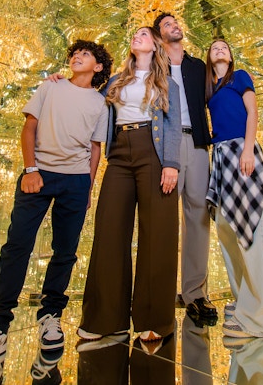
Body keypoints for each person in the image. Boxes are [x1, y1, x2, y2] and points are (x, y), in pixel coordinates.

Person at [0, 40, 112, 384]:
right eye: (75, 53)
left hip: (75, 181)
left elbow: (94, 149)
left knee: (65, 251)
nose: (77, 56)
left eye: (86, 55)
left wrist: (87, 188)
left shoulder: (101, 104)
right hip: (38, 175)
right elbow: (29, 127)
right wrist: (30, 170)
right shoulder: (50, 86)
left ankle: (51, 314)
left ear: (98, 67)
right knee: (17, 246)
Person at [77, 26, 181, 347]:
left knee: (157, 235)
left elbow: (173, 123)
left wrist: (172, 164)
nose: (137, 37)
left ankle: (154, 321)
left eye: (144, 35)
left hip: (154, 151)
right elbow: (89, 100)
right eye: (135, 35)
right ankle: (105, 320)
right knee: (109, 230)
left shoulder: (168, 83)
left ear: (154, 46)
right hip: (120, 154)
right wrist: (58, 79)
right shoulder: (115, 81)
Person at [204, 39, 263, 338]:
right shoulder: (210, 88)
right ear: (209, 57)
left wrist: (248, 150)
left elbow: (252, 113)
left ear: (231, 56)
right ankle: (243, 301)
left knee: (252, 231)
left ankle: (261, 318)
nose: (220, 49)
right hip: (220, 156)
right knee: (226, 228)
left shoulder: (240, 76)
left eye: (224, 47)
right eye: (214, 47)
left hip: (241, 153)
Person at [154, 12, 217, 323]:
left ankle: (194, 294)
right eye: (167, 24)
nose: (174, 25)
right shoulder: (152, 65)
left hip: (197, 146)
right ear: (159, 36)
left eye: (175, 21)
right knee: (164, 219)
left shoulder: (197, 67)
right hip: (167, 143)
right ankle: (159, 295)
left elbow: (217, 94)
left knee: (198, 219)